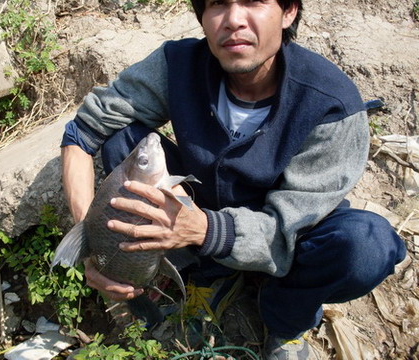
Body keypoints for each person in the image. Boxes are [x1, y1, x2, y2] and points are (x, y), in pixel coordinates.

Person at [60, 0, 406, 358]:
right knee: (124, 142)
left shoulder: (332, 104)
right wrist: (90, 235)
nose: (233, 20)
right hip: (202, 204)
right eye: (218, 4)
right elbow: (82, 133)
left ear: (288, 12)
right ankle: (207, 274)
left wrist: (206, 230)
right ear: (202, 17)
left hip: (284, 232)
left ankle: (285, 318)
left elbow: (286, 227)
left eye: (253, 2)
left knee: (367, 246)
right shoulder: (178, 65)